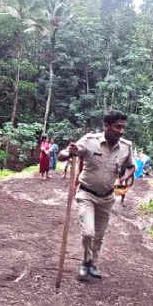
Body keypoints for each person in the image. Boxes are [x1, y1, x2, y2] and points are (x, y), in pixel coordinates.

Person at [58, 110, 135, 281]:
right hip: (86, 194)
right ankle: (85, 263)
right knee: (88, 232)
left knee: (99, 236)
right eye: (117, 127)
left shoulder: (125, 147)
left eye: (123, 127)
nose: (121, 130)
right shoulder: (89, 141)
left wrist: (126, 176)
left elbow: (131, 166)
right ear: (106, 126)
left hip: (107, 198)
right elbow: (62, 155)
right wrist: (69, 152)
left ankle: (92, 264)